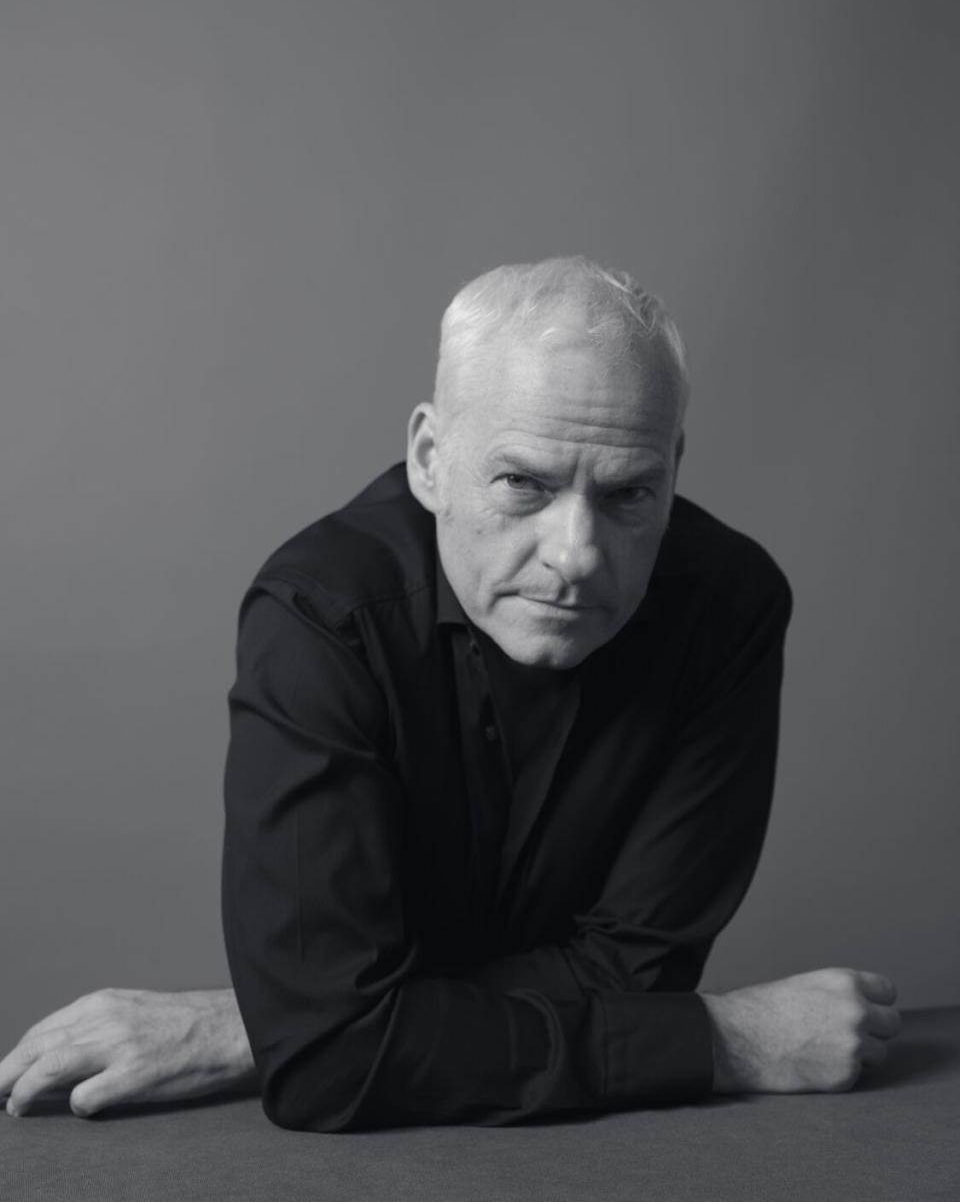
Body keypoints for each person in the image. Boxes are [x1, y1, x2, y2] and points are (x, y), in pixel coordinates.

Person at [0, 257, 901, 1129]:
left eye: (630, 492)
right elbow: (329, 1069)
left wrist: (263, 1024)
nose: (576, 554)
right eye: (523, 483)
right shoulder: (322, 614)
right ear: (431, 459)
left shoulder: (730, 607)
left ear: (674, 468)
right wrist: (724, 1041)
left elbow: (630, 984)